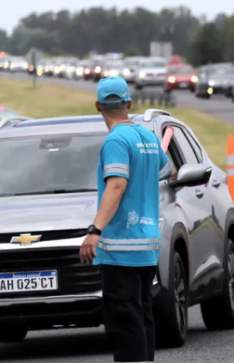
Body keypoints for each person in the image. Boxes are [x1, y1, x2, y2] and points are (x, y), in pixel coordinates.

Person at [79, 76, 174, 362]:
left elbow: (117, 185)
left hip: (121, 247)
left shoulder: (116, 140)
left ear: (98, 106)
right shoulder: (147, 136)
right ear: (129, 104)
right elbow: (165, 171)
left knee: (124, 322)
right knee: (142, 317)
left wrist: (95, 230)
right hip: (146, 245)